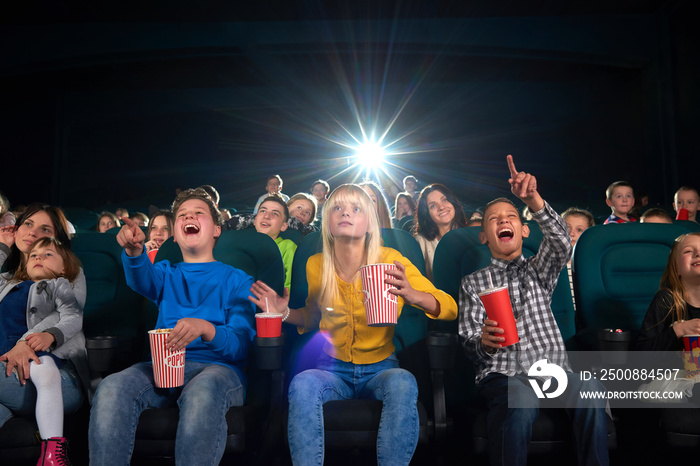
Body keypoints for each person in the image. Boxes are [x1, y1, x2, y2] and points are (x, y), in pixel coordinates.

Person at [249, 184, 458, 466]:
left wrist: (413, 294)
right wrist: (282, 312)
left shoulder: (391, 260)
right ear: (328, 224)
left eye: (356, 208)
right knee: (302, 384)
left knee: (403, 381)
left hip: (381, 366)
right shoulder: (315, 264)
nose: (345, 212)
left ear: (370, 223)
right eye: (337, 207)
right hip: (331, 367)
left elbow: (449, 307)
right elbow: (312, 317)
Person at [458, 155, 609, 466]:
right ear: (484, 235)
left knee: (590, 387)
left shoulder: (537, 270)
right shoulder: (474, 282)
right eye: (494, 219)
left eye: (511, 216)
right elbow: (469, 337)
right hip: (504, 375)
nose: (503, 221)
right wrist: (483, 342)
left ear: (524, 230)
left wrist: (533, 201)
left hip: (553, 372)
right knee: (521, 399)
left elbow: (561, 245)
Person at [89, 188, 256, 465]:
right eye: (182, 215)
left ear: (216, 229)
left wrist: (206, 328)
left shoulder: (237, 280)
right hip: (161, 366)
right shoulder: (165, 272)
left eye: (198, 213)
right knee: (111, 386)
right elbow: (141, 279)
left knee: (203, 391)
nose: (189, 216)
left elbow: (240, 344)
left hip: (218, 369)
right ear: (176, 233)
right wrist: (134, 251)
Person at [0, 204, 87, 461]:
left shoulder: (64, 277)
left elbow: (66, 315)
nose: (33, 233)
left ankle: (53, 452)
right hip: (7, 370)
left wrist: (24, 342)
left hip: (54, 371)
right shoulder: (9, 282)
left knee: (44, 368)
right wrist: (5, 246)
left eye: (45, 229)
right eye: (27, 224)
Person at [634, 232, 700, 351]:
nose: (698, 254)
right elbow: (642, 352)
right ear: (676, 267)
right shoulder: (666, 300)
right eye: (688, 251)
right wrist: (679, 330)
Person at [414, 183, 467, 281]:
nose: (441, 207)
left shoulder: (471, 233)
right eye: (433, 206)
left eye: (445, 200)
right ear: (426, 213)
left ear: (453, 202)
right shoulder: (420, 241)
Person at [255, 197, 297, 291]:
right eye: (263, 211)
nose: (266, 216)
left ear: (283, 226)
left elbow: (290, 285)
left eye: (275, 213)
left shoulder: (287, 247)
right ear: (255, 220)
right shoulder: (243, 243)